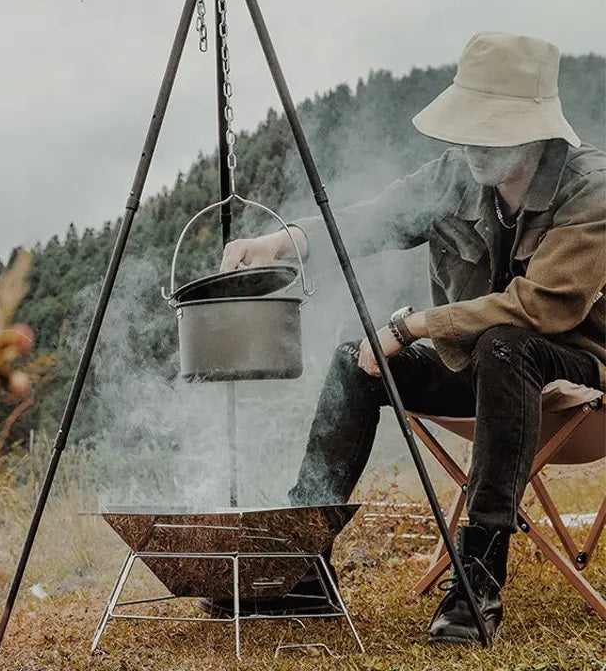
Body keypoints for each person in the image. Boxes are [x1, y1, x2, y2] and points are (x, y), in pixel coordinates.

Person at [218, 32, 606, 643]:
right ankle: (300, 567)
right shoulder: (457, 175)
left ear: (535, 130)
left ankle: (477, 577)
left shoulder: (592, 187)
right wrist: (279, 243)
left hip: (572, 381)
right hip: (481, 374)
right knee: (358, 360)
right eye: (468, 125)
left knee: (504, 342)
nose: (473, 143)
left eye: (491, 127)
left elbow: (542, 306)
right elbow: (370, 219)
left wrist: (411, 326)